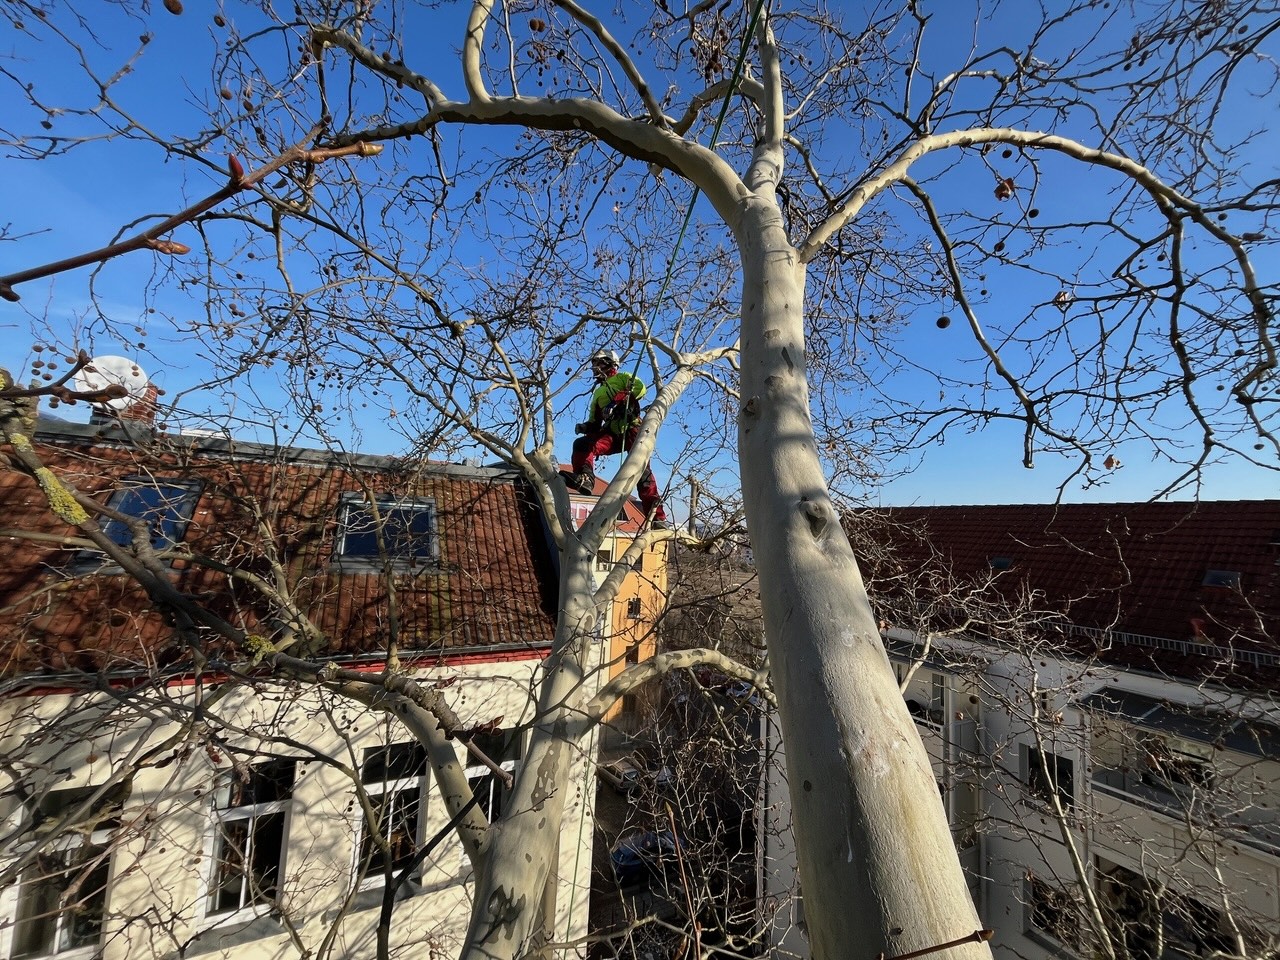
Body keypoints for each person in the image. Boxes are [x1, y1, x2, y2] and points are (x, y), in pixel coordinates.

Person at [568, 349, 668, 527]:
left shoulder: (623, 378)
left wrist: (616, 400)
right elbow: (595, 422)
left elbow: (640, 389)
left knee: (642, 473)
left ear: (609, 363)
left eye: (598, 363)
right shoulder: (598, 394)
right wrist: (585, 427)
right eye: (594, 364)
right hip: (612, 435)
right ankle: (586, 478)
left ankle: (656, 517)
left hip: (632, 429)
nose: (595, 367)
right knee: (582, 444)